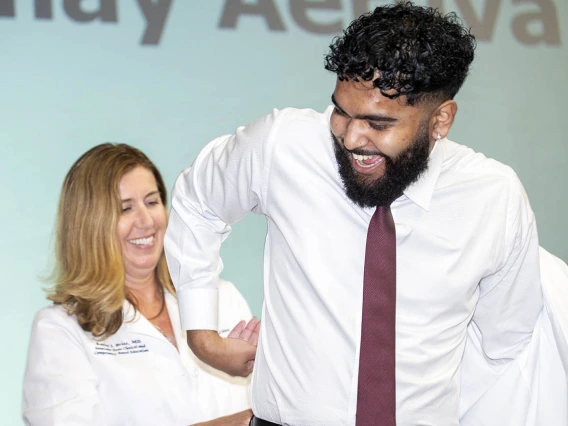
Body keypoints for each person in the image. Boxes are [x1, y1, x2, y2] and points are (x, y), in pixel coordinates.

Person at [164, 2, 567, 426]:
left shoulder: (493, 197)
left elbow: (503, 340)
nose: (352, 137)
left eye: (378, 123)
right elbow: (198, 202)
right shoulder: (283, 146)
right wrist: (202, 334)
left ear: (441, 119)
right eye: (341, 110)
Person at [22, 143, 260, 426]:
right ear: (90, 224)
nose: (146, 221)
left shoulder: (222, 297)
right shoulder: (60, 331)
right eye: (125, 209)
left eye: (152, 202)